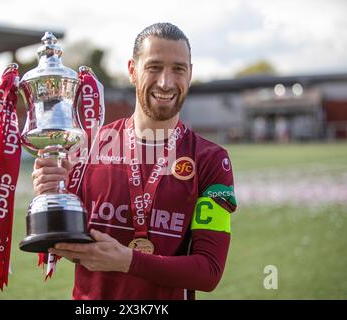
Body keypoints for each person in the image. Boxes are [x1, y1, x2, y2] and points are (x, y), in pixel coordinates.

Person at [32, 23, 237, 300]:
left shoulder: (211, 160)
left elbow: (208, 271)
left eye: (178, 69)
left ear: (189, 74)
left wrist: (128, 261)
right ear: (132, 70)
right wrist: (50, 196)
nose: (166, 82)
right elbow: (62, 242)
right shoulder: (86, 147)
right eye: (154, 67)